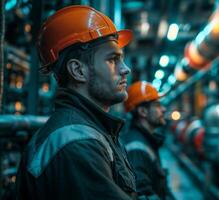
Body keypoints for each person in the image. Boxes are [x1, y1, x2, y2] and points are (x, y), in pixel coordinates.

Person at [16, 5, 137, 200]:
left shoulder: (93, 131)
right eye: (113, 60)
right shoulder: (76, 143)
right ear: (78, 71)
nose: (126, 69)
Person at [121, 81, 174, 200]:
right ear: (143, 111)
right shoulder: (136, 148)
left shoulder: (145, 141)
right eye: (157, 105)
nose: (164, 109)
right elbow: (142, 195)